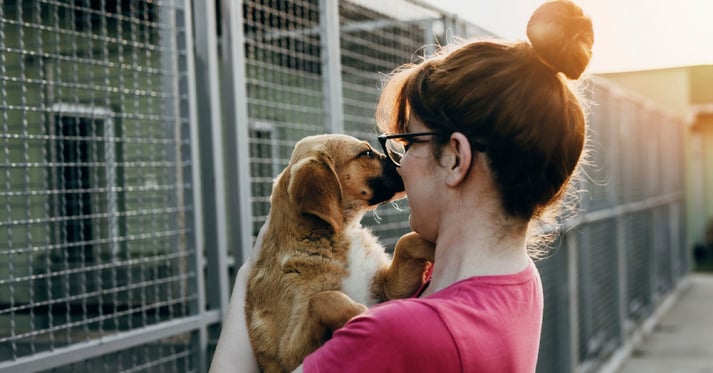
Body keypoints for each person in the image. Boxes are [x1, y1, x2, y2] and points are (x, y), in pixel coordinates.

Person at [209, 0, 593, 371]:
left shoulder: (390, 337)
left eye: (408, 143)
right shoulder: (517, 282)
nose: (400, 164)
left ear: (456, 158)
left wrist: (253, 272)